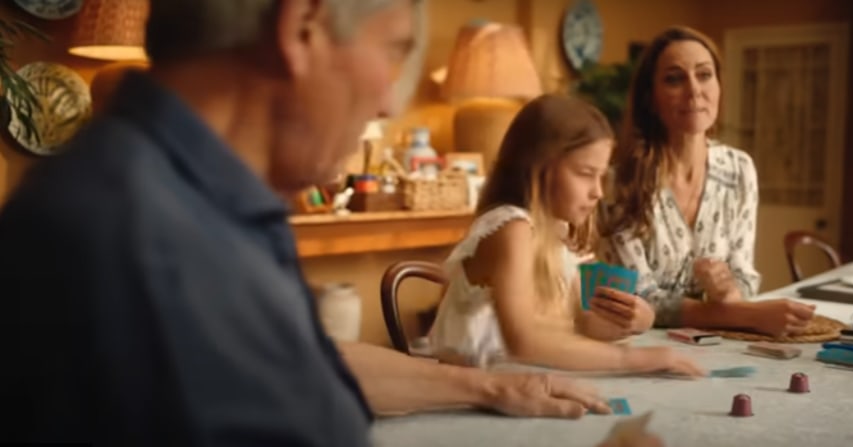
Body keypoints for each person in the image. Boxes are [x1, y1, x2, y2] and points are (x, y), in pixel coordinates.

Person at [0, 1, 612, 444]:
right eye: (393, 50)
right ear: (301, 28)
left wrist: (492, 388)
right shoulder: (138, 243)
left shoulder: (197, 196)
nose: (390, 103)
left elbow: (307, 357)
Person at [428, 93, 703, 377]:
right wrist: (632, 359)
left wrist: (635, 321)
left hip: (521, 388)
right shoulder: (511, 229)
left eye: (601, 176)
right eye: (585, 173)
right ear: (539, 169)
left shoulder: (556, 232)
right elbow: (524, 341)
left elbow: (579, 324)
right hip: (470, 393)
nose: (598, 191)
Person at [596, 25, 815, 336]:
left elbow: (745, 276)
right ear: (650, 98)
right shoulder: (619, 181)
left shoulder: (739, 169)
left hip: (718, 344)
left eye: (704, 74)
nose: (694, 90)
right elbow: (638, 300)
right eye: (674, 79)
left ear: (719, 85)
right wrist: (746, 316)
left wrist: (728, 291)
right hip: (640, 348)